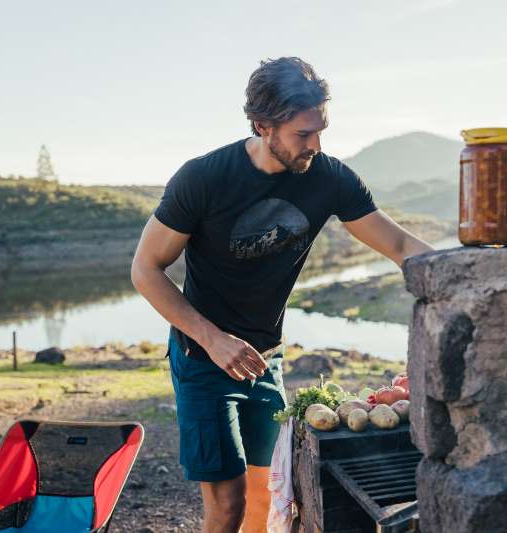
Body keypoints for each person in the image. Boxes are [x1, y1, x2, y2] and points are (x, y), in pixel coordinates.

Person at [131, 56, 434, 533]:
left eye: (321, 131)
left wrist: (461, 273)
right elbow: (145, 270)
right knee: (227, 505)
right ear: (262, 125)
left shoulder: (329, 178)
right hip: (203, 358)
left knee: (267, 496)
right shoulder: (204, 178)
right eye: (303, 134)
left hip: (265, 359)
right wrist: (213, 339)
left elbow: (398, 244)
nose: (315, 145)